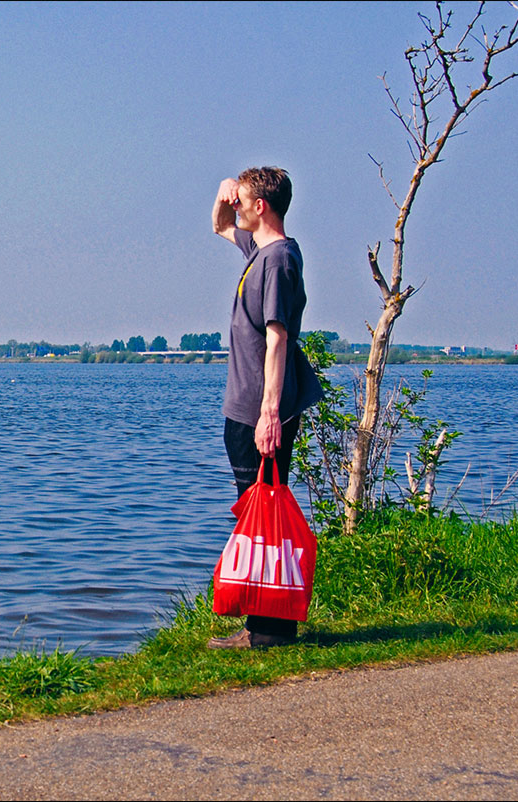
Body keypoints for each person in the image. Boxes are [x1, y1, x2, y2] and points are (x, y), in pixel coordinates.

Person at [207, 166, 322, 649]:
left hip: (260, 410)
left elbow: (278, 339)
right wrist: (224, 189)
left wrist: (269, 414)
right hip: (246, 407)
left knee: (264, 515)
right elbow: (217, 225)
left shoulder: (277, 261)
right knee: (254, 515)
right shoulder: (261, 252)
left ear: (263, 207)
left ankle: (270, 630)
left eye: (243, 201)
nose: (237, 208)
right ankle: (263, 623)